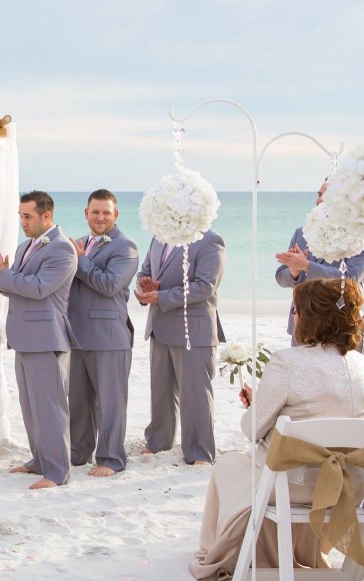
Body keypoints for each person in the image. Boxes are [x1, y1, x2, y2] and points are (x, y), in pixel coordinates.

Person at [190, 278, 364, 578]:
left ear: (309, 316)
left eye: (295, 308)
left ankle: (220, 553)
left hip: (294, 488)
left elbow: (251, 430)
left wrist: (256, 408)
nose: (293, 315)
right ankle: (303, 552)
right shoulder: (360, 365)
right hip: (350, 489)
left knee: (229, 465)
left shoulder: (287, 361)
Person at [0, 190, 77, 489]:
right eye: (20, 216)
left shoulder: (62, 249)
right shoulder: (25, 247)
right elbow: (14, 287)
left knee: (50, 407)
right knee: (31, 406)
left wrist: (3, 274)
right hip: (24, 337)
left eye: (27, 216)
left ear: (46, 216)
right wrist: (1, 276)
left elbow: (39, 288)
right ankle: (39, 459)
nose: (22, 222)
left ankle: (58, 471)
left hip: (47, 338)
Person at [135, 229, 226, 465]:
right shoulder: (157, 237)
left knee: (195, 393)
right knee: (161, 390)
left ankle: (200, 451)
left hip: (193, 330)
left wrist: (161, 296)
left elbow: (206, 286)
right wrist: (145, 285)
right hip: (159, 324)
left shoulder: (209, 240)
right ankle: (158, 440)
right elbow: (145, 270)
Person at [65, 189, 139, 477]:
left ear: (116, 215)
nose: (100, 217)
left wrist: (81, 262)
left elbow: (109, 285)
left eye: (106, 212)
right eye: (95, 212)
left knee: (111, 402)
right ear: (86, 213)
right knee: (79, 401)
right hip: (77, 333)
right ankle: (78, 453)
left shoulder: (126, 247)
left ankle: (111, 459)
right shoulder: (79, 243)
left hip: (109, 336)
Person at [275, 180, 364, 346]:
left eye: (325, 195)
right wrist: (294, 273)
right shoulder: (301, 233)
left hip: (339, 326)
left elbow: (350, 279)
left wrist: (307, 266)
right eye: (318, 194)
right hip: (301, 324)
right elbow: (280, 276)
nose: (319, 200)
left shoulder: (357, 235)